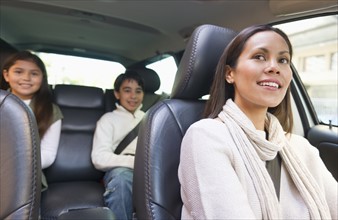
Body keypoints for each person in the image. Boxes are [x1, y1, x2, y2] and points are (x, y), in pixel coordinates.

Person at [178, 25, 337, 219]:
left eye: (283, 60)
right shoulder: (206, 136)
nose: (274, 67)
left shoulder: (300, 147)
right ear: (230, 74)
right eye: (259, 56)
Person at [1, 51, 63, 189]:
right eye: (18, 72)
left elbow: (48, 153)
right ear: (6, 75)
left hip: (26, 173)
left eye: (34, 74)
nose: (26, 78)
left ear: (42, 78)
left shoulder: (50, 111)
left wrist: (13, 164)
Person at [91, 71, 145, 220]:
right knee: (122, 179)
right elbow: (99, 158)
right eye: (127, 91)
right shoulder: (108, 120)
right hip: (121, 169)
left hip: (148, 170)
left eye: (138, 91)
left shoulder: (150, 118)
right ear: (116, 93)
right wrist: (136, 163)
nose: (133, 96)